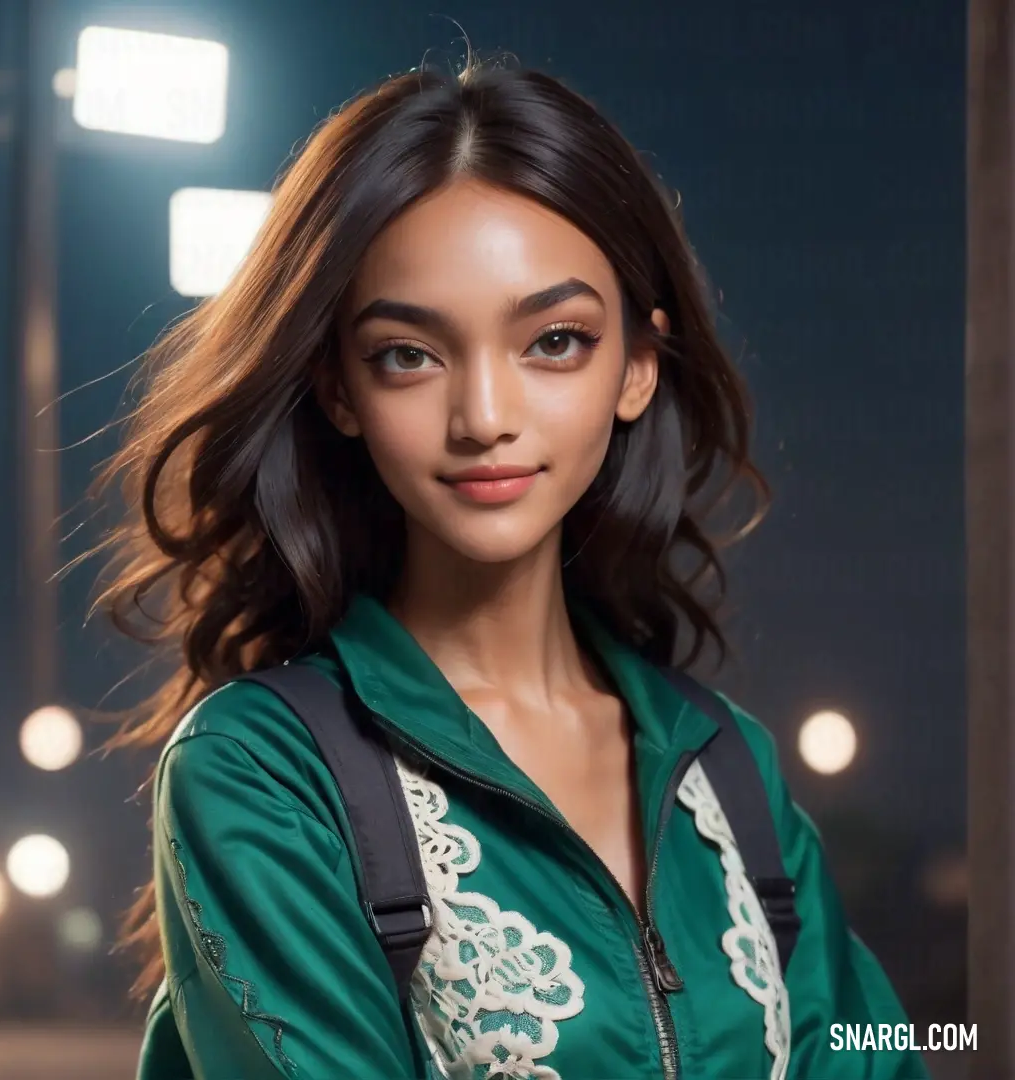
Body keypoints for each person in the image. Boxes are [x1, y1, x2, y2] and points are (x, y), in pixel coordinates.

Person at [101, 55, 929, 1080]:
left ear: (637, 365)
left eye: (555, 341)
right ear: (339, 390)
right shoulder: (263, 771)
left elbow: (877, 1052)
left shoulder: (728, 767)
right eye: (409, 353)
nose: (485, 417)